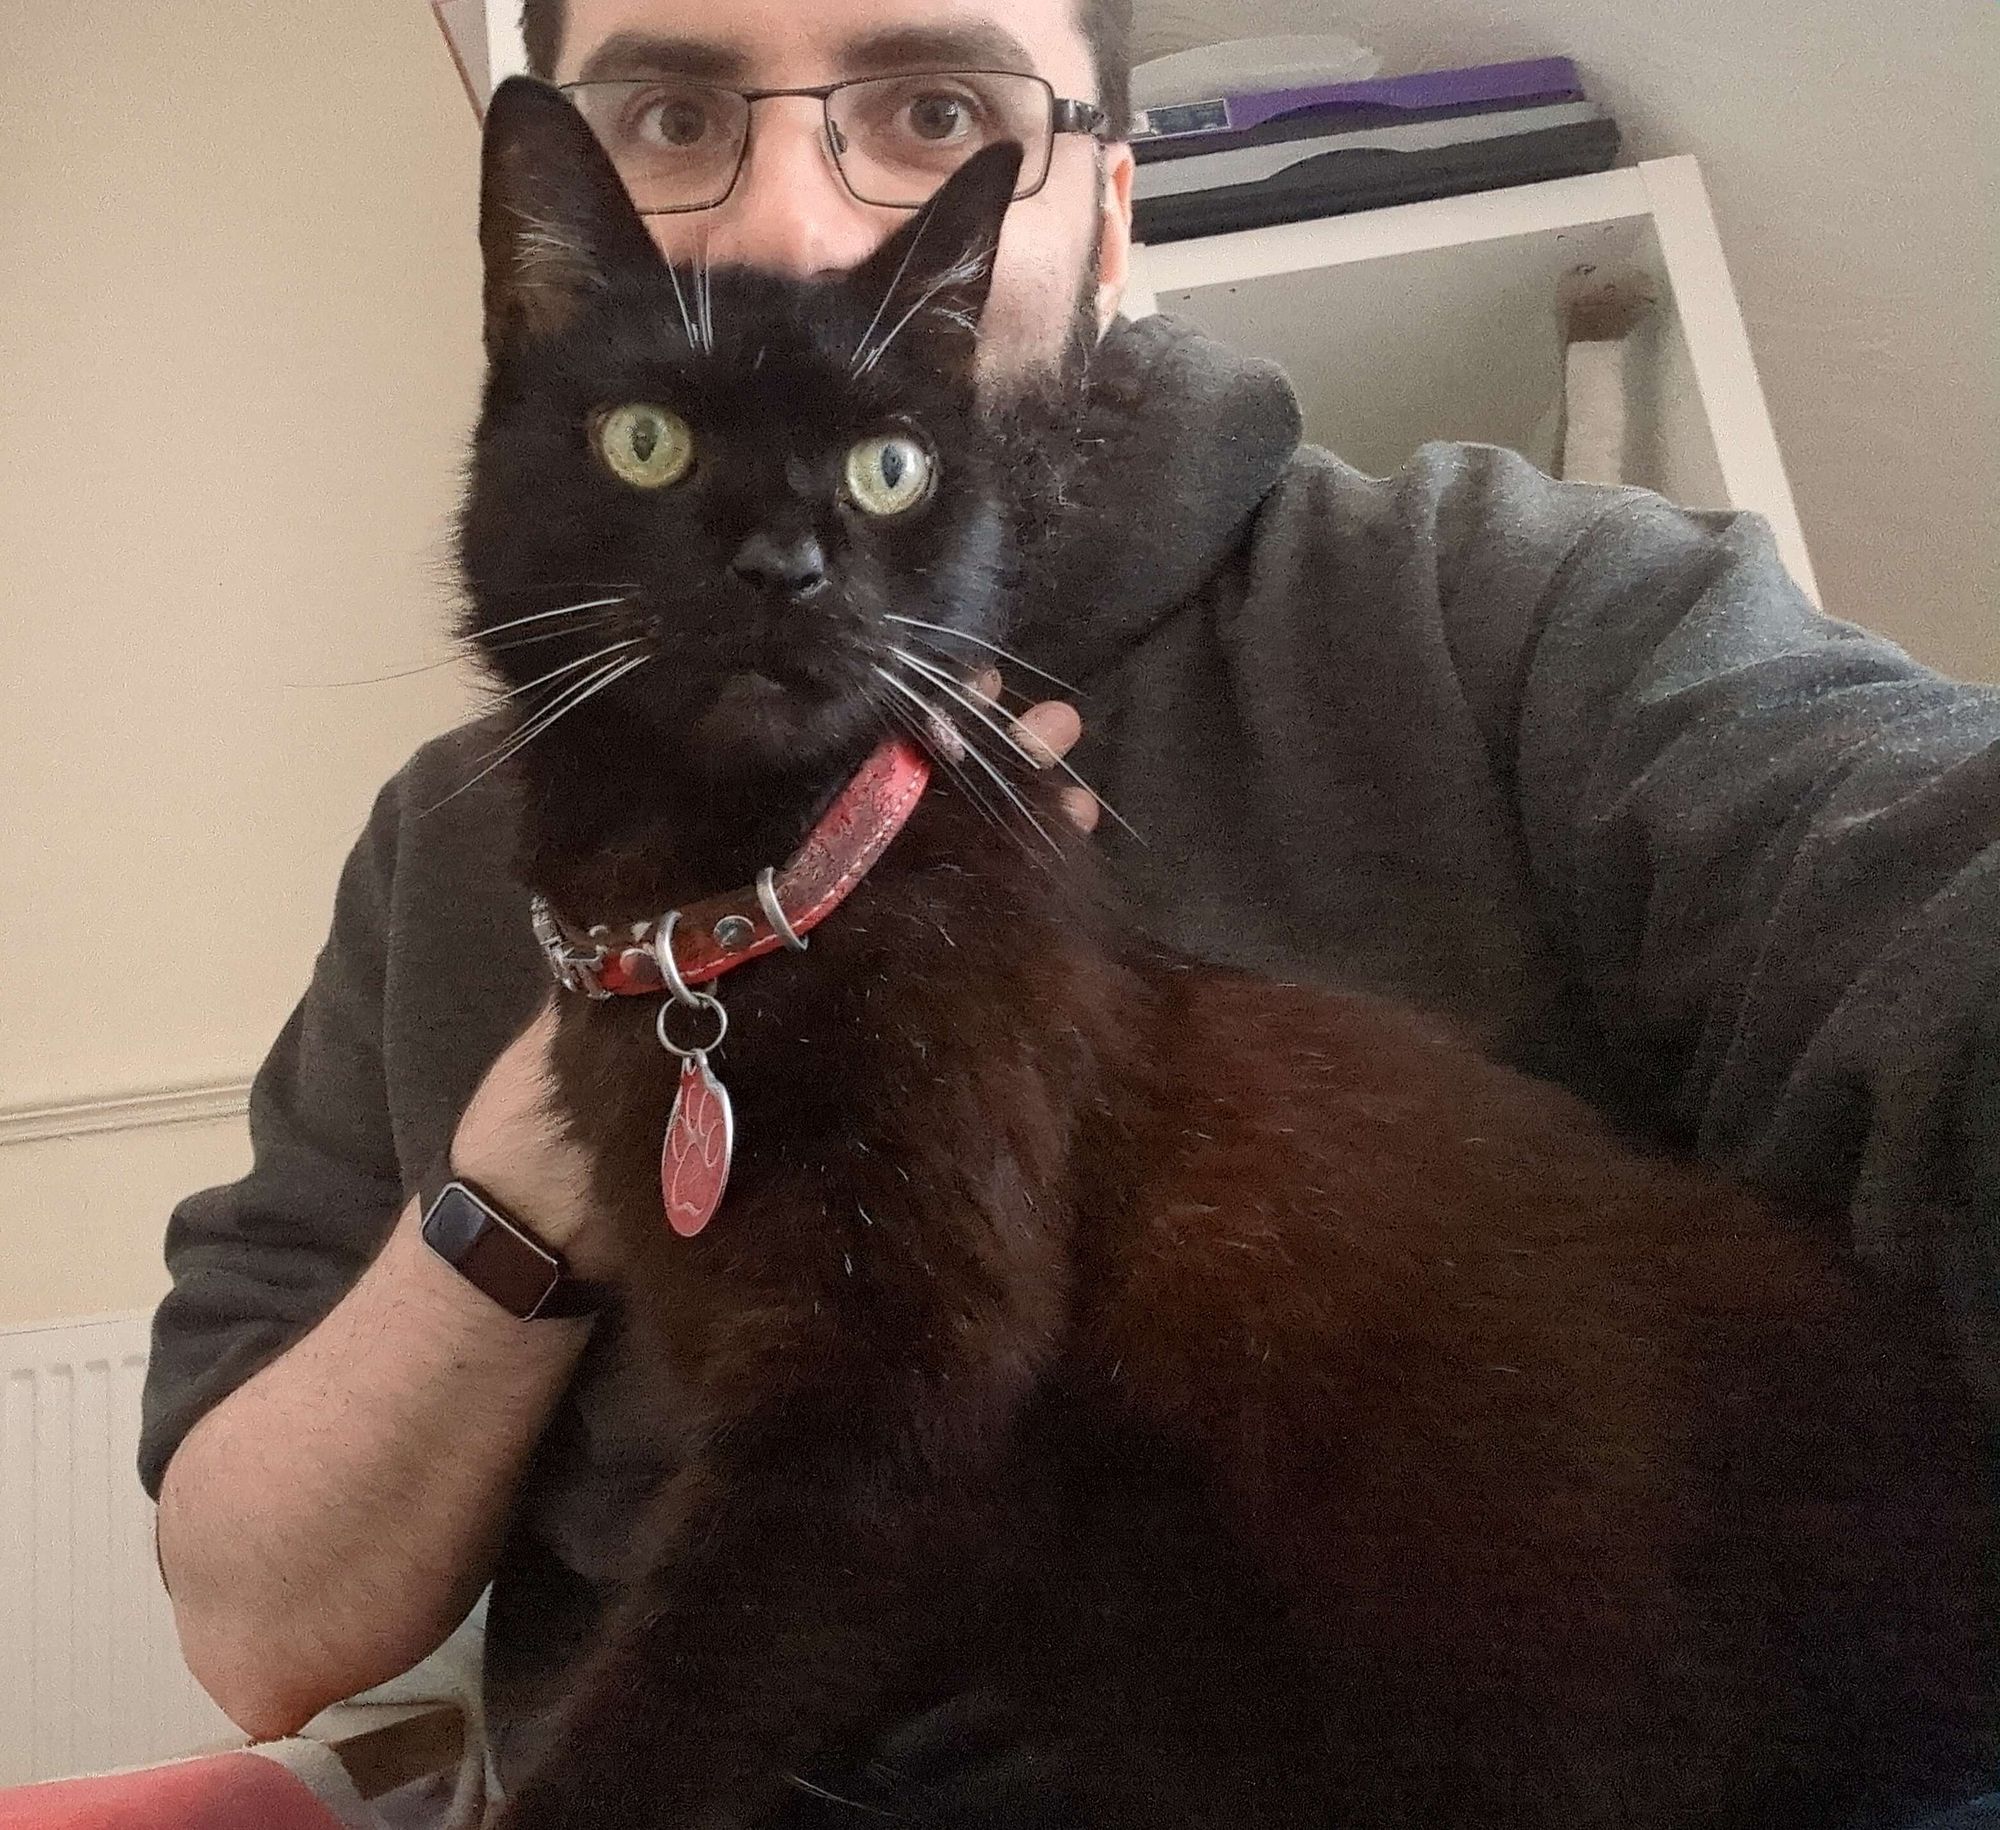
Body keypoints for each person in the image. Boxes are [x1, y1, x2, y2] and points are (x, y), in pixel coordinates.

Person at [140, 0, 2000, 1816]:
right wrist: (524, 1175)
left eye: (938, 111)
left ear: (1110, 211)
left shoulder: (1497, 605)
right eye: (675, 120)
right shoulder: (438, 848)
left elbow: (1933, 909)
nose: (795, 219)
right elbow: (251, 1619)